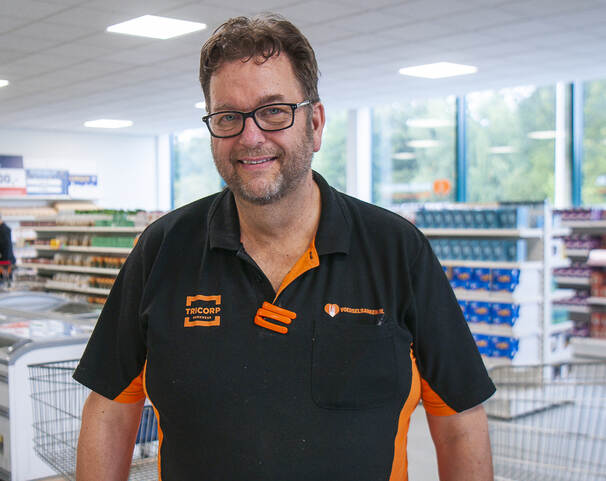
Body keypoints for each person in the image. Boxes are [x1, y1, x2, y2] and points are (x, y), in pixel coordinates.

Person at [73, 14, 496, 481]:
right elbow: (110, 408)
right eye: (228, 117)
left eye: (274, 111)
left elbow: (459, 420)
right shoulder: (162, 249)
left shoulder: (397, 251)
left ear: (314, 124)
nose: (250, 136)